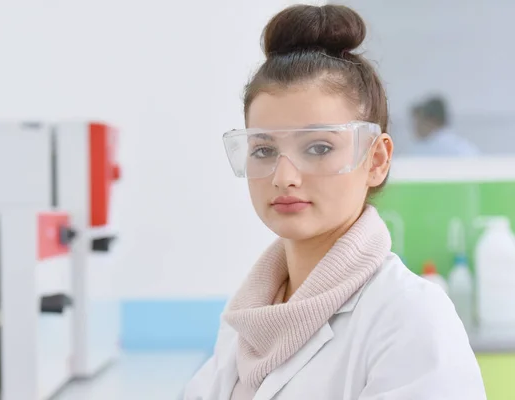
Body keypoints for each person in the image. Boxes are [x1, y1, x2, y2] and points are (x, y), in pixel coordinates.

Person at [184, 4, 486, 400]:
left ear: (375, 161)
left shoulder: (410, 318)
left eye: (319, 147)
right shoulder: (250, 317)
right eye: (263, 150)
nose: (284, 176)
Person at [410, 96, 479, 156]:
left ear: (431, 121)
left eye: (418, 123)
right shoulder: (465, 147)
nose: (415, 128)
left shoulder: (422, 149)